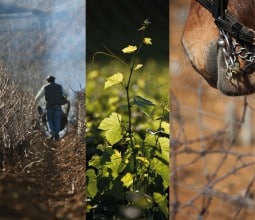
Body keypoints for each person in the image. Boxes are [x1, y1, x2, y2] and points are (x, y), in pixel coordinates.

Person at [34, 75, 68, 141]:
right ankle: (57, 134)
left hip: (49, 107)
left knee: (49, 120)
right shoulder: (59, 86)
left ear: (47, 81)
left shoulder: (45, 87)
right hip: (58, 106)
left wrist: (35, 103)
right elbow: (66, 94)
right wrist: (62, 100)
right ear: (54, 80)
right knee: (57, 120)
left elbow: (37, 97)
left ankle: (52, 133)